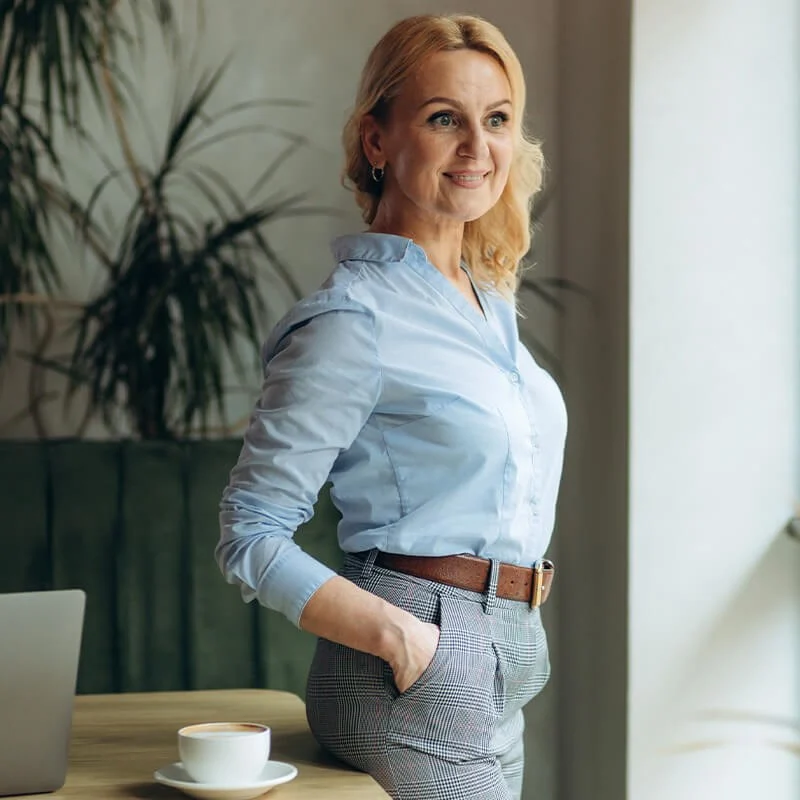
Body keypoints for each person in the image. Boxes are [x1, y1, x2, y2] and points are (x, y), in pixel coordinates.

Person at [216, 13, 567, 800]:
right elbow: (250, 535)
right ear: (376, 141)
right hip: (412, 662)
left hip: (506, 657)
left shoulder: (485, 305)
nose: (478, 148)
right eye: (445, 118)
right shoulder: (356, 320)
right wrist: (407, 639)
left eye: (497, 120)